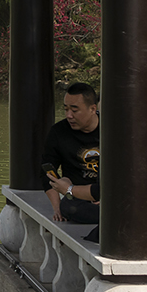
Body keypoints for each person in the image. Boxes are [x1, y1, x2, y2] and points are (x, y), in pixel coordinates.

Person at [40, 83, 100, 227]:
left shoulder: (112, 129)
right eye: (66, 109)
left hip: (108, 193)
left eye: (74, 110)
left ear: (93, 109)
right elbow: (47, 172)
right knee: (69, 208)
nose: (69, 115)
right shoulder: (58, 132)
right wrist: (57, 207)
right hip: (75, 195)